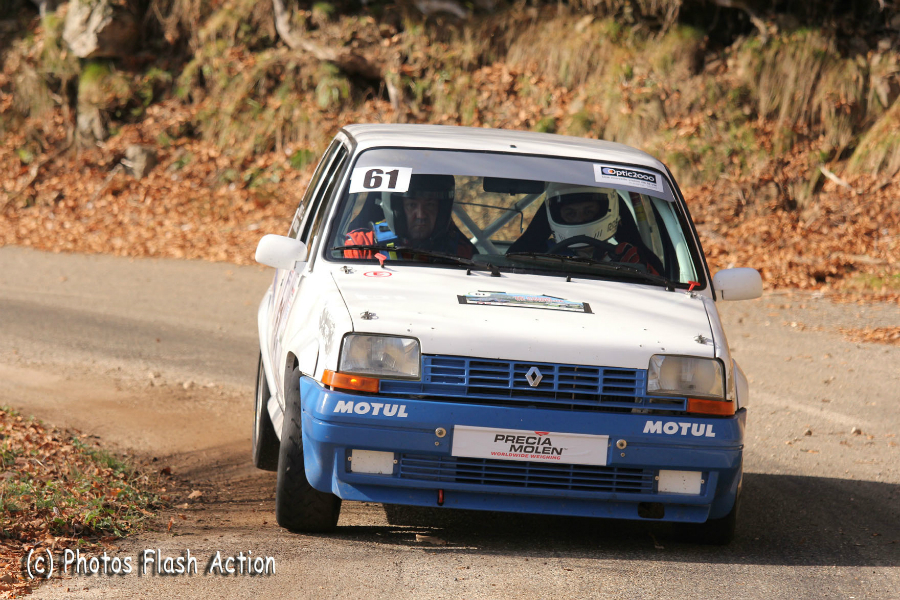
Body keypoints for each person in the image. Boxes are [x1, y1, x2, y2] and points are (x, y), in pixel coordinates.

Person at [343, 174, 476, 260]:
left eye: (429, 205)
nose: (421, 215)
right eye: (412, 205)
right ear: (397, 210)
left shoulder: (460, 252)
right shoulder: (362, 246)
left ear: (440, 211)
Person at [543, 183, 662, 275]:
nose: (580, 219)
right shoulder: (542, 257)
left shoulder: (625, 256)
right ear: (557, 215)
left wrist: (637, 270)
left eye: (588, 212)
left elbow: (655, 288)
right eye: (570, 214)